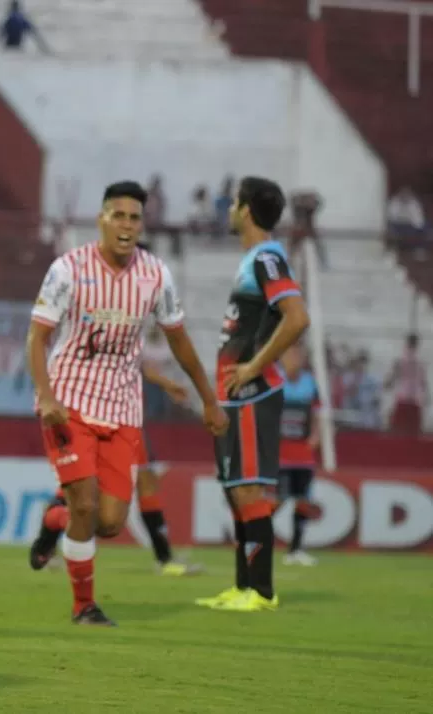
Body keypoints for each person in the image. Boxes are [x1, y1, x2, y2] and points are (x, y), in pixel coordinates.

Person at [25, 182, 227, 626]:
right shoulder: (69, 269)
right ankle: (85, 606)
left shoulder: (156, 275)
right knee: (85, 503)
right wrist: (47, 395)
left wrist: (208, 399)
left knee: (110, 521)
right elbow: (37, 338)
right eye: (118, 215)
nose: (126, 225)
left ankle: (52, 523)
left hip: (122, 409)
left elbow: (180, 341)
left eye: (135, 218)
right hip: (70, 402)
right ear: (101, 218)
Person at [195, 176, 310, 613]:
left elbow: (297, 318)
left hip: (252, 393)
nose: (229, 210)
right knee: (235, 490)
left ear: (244, 210)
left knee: (249, 493)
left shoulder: (267, 257)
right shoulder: (255, 259)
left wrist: (252, 368)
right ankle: (243, 586)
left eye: (234, 203)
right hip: (236, 395)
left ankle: (261, 592)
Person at [28, 361, 205, 576]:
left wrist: (166, 384)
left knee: (145, 480)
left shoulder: (126, 337)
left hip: (128, 418)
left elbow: (137, 363)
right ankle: (50, 529)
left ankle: (164, 557)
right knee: (82, 485)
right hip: (96, 415)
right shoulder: (88, 339)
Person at [277, 343, 320, 566]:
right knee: (276, 499)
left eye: (298, 354)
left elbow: (316, 412)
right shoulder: (275, 380)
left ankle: (295, 549)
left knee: (303, 498)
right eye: (290, 354)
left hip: (302, 452)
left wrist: (315, 435)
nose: (294, 358)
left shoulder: (310, 383)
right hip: (279, 451)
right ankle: (254, 539)